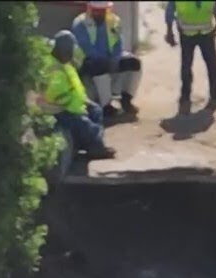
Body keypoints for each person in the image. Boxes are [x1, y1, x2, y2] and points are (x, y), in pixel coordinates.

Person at [42, 31, 117, 160]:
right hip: (56, 110)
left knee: (96, 111)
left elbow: (75, 89)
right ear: (62, 50)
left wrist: (85, 102)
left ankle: (93, 144)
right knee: (85, 125)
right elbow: (58, 98)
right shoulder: (52, 68)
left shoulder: (64, 64)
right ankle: (95, 147)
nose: (71, 55)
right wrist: (79, 109)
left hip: (72, 105)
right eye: (70, 51)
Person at [72, 0, 142, 119]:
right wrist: (108, 61)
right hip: (88, 62)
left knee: (134, 63)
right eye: (96, 10)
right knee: (100, 65)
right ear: (90, 8)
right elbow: (87, 49)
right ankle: (106, 106)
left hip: (110, 59)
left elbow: (118, 44)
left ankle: (126, 99)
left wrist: (115, 59)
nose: (99, 13)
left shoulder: (113, 21)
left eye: (102, 10)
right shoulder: (80, 23)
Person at [165, 1, 216, 112]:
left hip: (206, 33)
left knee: (212, 64)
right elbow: (170, 11)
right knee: (187, 66)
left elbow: (215, 7)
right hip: (187, 34)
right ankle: (185, 96)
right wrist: (169, 32)